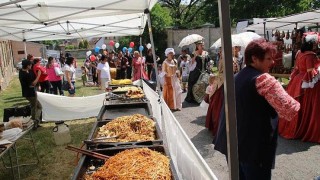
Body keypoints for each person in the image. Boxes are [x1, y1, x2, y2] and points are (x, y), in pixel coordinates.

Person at [214, 38, 300, 180]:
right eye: (268, 59)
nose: (273, 62)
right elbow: (290, 110)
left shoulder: (235, 77)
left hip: (232, 144)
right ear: (254, 58)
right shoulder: (264, 80)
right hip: (253, 148)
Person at [278, 34, 320, 143]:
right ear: (312, 44)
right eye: (315, 43)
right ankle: (304, 129)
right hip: (307, 82)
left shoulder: (300, 53)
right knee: (308, 106)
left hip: (297, 80)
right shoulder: (311, 55)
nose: (316, 45)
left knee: (298, 104)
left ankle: (294, 127)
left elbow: (297, 68)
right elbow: (311, 71)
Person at [19, 60, 42, 130]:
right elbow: (32, 84)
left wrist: (38, 85)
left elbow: (34, 78)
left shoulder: (29, 71)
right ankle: (35, 122)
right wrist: (39, 75)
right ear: (27, 66)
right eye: (30, 65)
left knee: (34, 107)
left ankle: (34, 122)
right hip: (29, 93)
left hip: (32, 92)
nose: (31, 66)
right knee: (38, 107)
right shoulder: (24, 74)